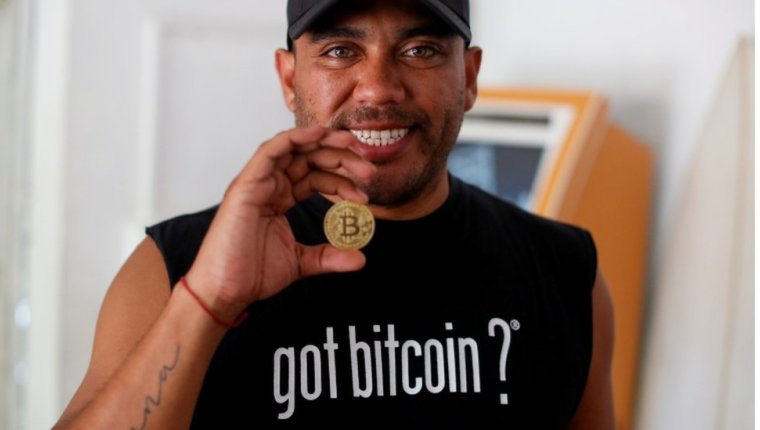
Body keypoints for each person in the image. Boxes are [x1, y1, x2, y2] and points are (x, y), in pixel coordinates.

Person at [54, 0, 615, 428]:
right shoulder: (170, 267)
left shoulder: (566, 271)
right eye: (341, 51)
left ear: (468, 78)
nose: (378, 89)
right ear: (289, 78)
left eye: (420, 50)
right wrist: (209, 300)